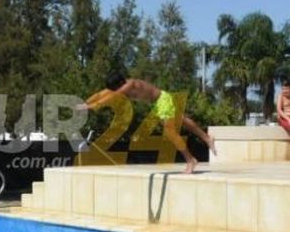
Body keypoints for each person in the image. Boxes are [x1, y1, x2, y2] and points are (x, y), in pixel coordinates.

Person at [79, 73, 216, 174]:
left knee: (170, 132)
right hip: (160, 101)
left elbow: (110, 97)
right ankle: (207, 138)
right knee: (183, 121)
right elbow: (100, 94)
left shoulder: (129, 85)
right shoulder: (120, 86)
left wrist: (90, 107)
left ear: (120, 84)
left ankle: (191, 160)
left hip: (162, 100)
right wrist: (85, 103)